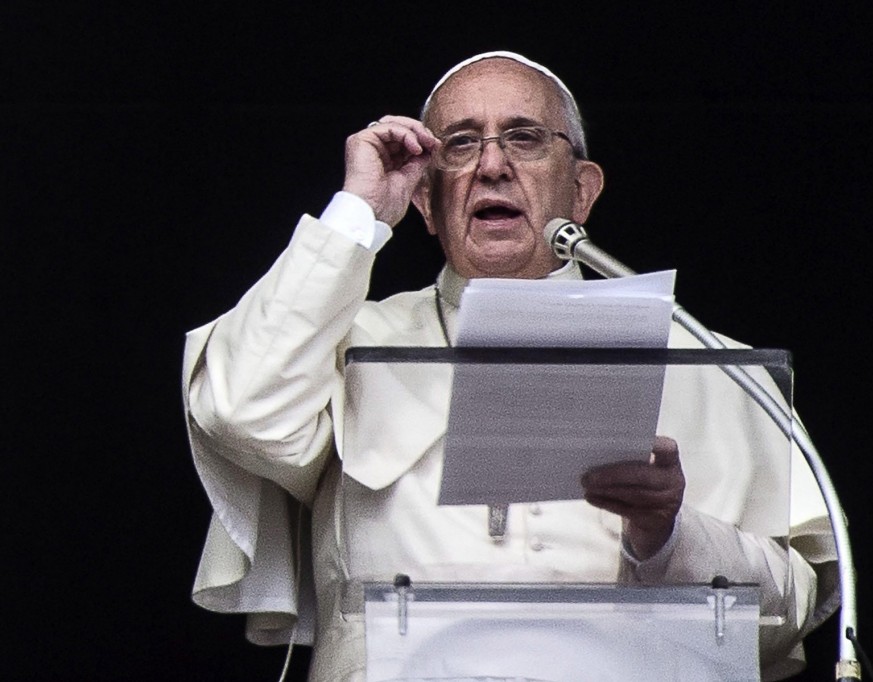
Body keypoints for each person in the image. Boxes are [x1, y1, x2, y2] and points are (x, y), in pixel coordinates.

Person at [182, 52, 838, 681]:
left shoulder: (703, 359)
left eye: (523, 138)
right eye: (460, 144)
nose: (492, 164)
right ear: (426, 203)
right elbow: (237, 413)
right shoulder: (347, 344)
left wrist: (668, 536)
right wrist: (358, 213)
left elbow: (788, 614)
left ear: (582, 192)